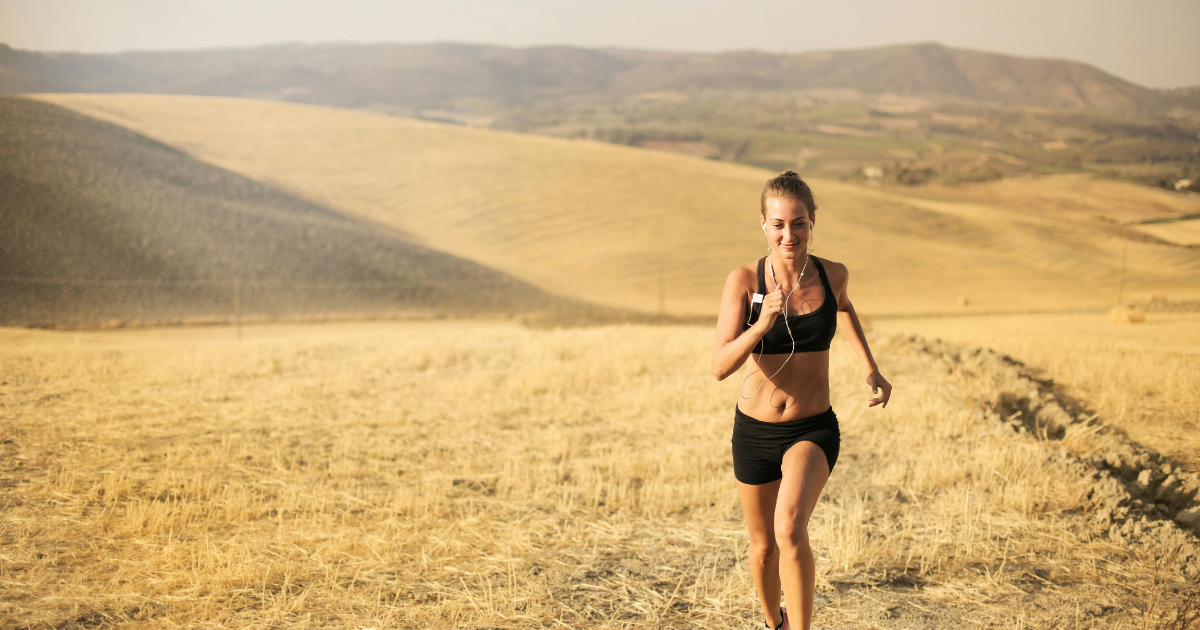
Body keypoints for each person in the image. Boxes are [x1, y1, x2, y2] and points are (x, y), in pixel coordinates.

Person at [711, 171, 892, 630]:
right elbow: (719, 365)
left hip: (811, 428)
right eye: (778, 224)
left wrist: (870, 366)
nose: (788, 234)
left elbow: (845, 308)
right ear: (763, 225)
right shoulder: (743, 280)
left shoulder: (833, 275)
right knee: (763, 546)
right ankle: (776, 624)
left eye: (799, 224)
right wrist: (760, 323)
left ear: (813, 223)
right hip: (752, 432)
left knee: (789, 528)